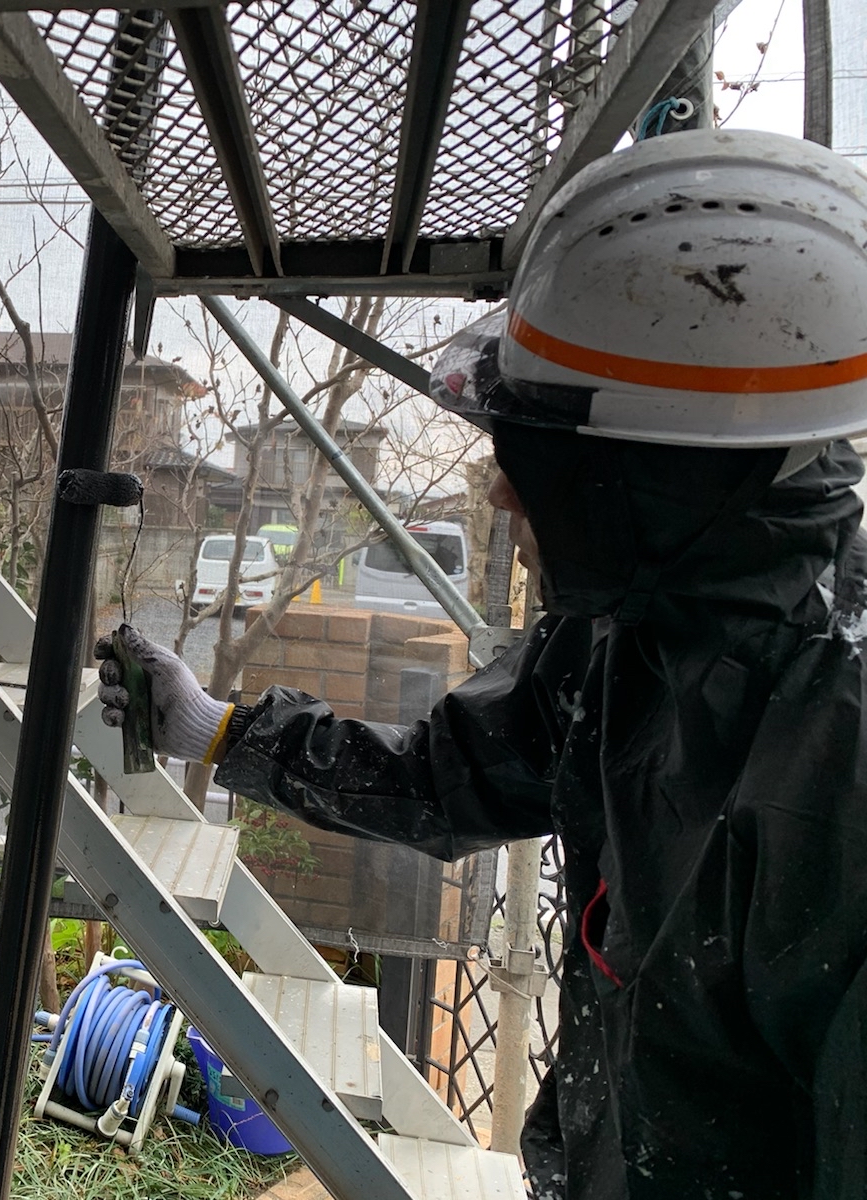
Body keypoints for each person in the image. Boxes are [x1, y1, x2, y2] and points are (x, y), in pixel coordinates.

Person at [97, 129, 867, 1200]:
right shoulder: (633, 629)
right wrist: (217, 730)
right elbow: (444, 777)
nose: (502, 492)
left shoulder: (838, 756)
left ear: (656, 479)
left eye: (533, 457)